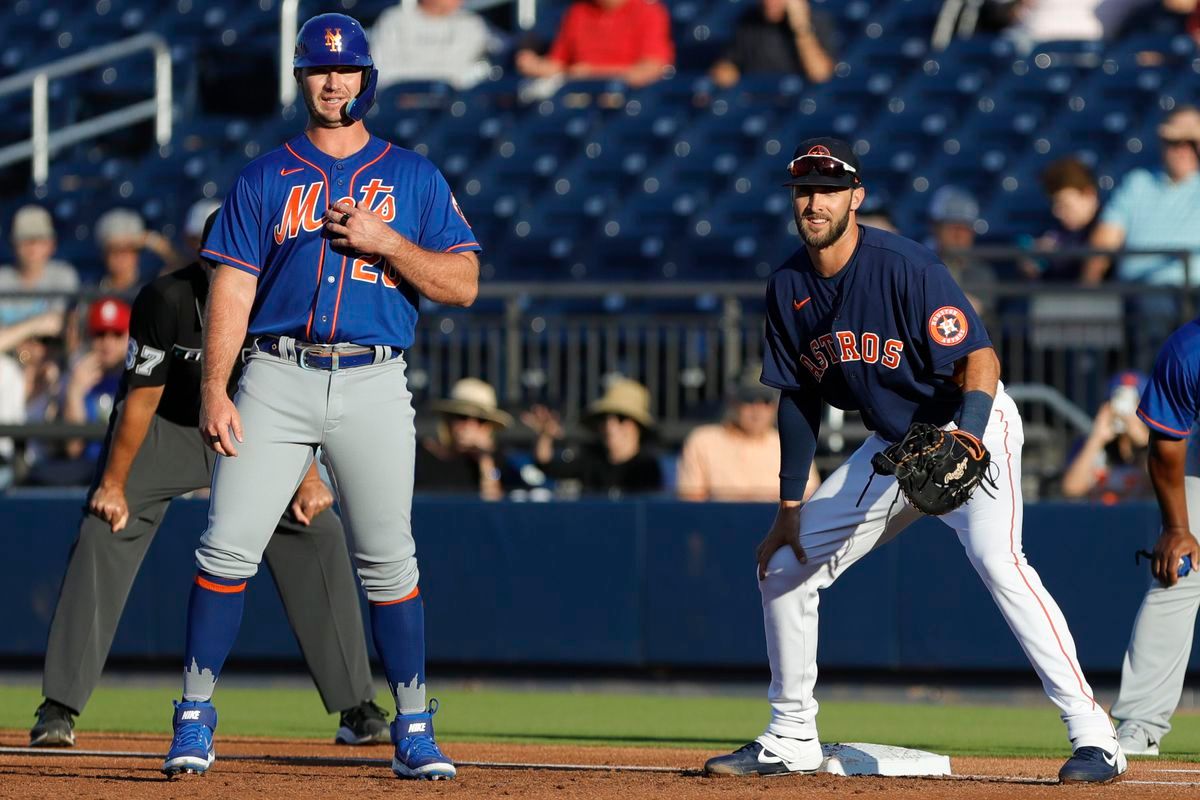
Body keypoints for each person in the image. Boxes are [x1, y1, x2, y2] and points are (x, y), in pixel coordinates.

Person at [702, 137, 1125, 783]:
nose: (815, 201)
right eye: (804, 190)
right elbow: (796, 399)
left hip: (967, 425)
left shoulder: (903, 264)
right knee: (786, 565)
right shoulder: (788, 284)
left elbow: (978, 358)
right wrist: (790, 506)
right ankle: (791, 735)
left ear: (856, 197)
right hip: (893, 446)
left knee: (998, 561)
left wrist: (974, 436)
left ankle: (1097, 737)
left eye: (828, 188)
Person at [163, 13, 479, 780]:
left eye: (344, 70)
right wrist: (216, 388)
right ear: (302, 79)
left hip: (374, 376)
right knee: (226, 546)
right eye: (318, 70)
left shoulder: (413, 177)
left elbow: (464, 283)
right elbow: (231, 288)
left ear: (367, 77)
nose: (332, 82)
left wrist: (390, 242)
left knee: (388, 560)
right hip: (275, 373)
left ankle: (412, 724)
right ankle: (194, 716)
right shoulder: (265, 176)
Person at [29, 213, 388, 750]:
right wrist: (113, 483)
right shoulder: (167, 298)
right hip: (167, 426)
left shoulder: (283, 297)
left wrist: (308, 476)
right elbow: (139, 400)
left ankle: (356, 705)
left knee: (317, 529)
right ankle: (58, 705)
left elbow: (301, 396)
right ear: (201, 251)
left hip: (255, 427)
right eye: (216, 245)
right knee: (105, 527)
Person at [1110, 317, 1200, 758]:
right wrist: (1178, 530)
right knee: (1178, 572)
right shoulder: (1190, 349)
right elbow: (1166, 447)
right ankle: (1140, 725)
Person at [1084, 106, 1200, 287]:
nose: (1182, 150)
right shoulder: (1138, 183)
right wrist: (1088, 289)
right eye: (1174, 142)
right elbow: (1106, 241)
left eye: (1191, 143)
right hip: (1142, 295)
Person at [676, 373, 820, 502]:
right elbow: (691, 500)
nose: (758, 409)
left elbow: (808, 500)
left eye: (765, 400)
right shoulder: (703, 441)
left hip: (778, 529)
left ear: (775, 406)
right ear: (733, 402)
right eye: (749, 399)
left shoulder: (791, 444)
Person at [524, 378, 663, 496]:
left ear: (638, 426)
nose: (610, 426)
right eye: (604, 418)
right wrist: (545, 436)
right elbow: (546, 465)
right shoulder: (590, 458)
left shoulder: (646, 467)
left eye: (621, 418)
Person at [514, 0, 674, 88]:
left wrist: (592, 74)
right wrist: (534, 64)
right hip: (576, 94)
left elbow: (650, 70)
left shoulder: (649, 12)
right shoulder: (578, 12)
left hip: (626, 98)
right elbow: (559, 64)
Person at [415, 378, 523, 499]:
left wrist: (485, 460)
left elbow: (493, 504)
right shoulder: (419, 455)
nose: (470, 426)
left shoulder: (499, 459)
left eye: (481, 420)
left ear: (489, 428)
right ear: (448, 419)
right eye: (462, 417)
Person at [1061, 371, 1153, 503]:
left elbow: (1158, 486)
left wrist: (1144, 443)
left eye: (1133, 403)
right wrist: (1096, 440)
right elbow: (1071, 489)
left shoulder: (1156, 445)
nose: (1124, 411)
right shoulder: (1087, 444)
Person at [708, 0, 836, 88]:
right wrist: (724, 75)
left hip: (797, 104)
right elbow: (729, 64)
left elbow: (820, 75)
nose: (769, 2)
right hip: (757, 99)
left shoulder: (817, 21)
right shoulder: (749, 21)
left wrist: (800, 27)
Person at [371, 0, 493, 89]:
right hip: (400, 107)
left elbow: (481, 69)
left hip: (454, 108)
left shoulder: (472, 24)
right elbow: (380, 72)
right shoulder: (393, 21)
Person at [1023, 157, 1102, 283]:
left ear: (1089, 194)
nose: (1057, 212)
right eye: (1054, 204)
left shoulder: (1111, 229)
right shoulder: (1057, 231)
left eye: (1064, 204)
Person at [0, 204, 79, 328]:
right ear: (13, 245)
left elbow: (54, 324)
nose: (32, 247)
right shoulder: (2, 278)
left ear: (52, 244)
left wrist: (13, 334)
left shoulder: (63, 275)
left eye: (39, 240)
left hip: (50, 346)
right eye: (24, 240)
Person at [926, 186, 995, 314]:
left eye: (964, 229)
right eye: (952, 228)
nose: (958, 236)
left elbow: (980, 312)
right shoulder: (921, 266)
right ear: (935, 228)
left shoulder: (980, 272)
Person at [92, 208, 180, 299]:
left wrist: (151, 239)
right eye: (113, 250)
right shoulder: (95, 290)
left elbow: (181, 267)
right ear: (104, 254)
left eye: (126, 249)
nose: (120, 257)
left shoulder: (152, 286)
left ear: (136, 252)